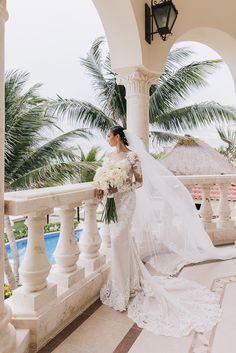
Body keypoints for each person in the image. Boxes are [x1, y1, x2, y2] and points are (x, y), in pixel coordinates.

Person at [94, 125, 236, 337]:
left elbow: (139, 183)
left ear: (117, 137)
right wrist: (103, 187)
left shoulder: (132, 156)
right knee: (118, 242)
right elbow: (102, 178)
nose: (106, 138)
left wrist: (119, 187)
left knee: (120, 240)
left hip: (126, 202)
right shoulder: (107, 156)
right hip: (113, 202)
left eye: (108, 135)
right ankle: (123, 283)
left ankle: (123, 289)